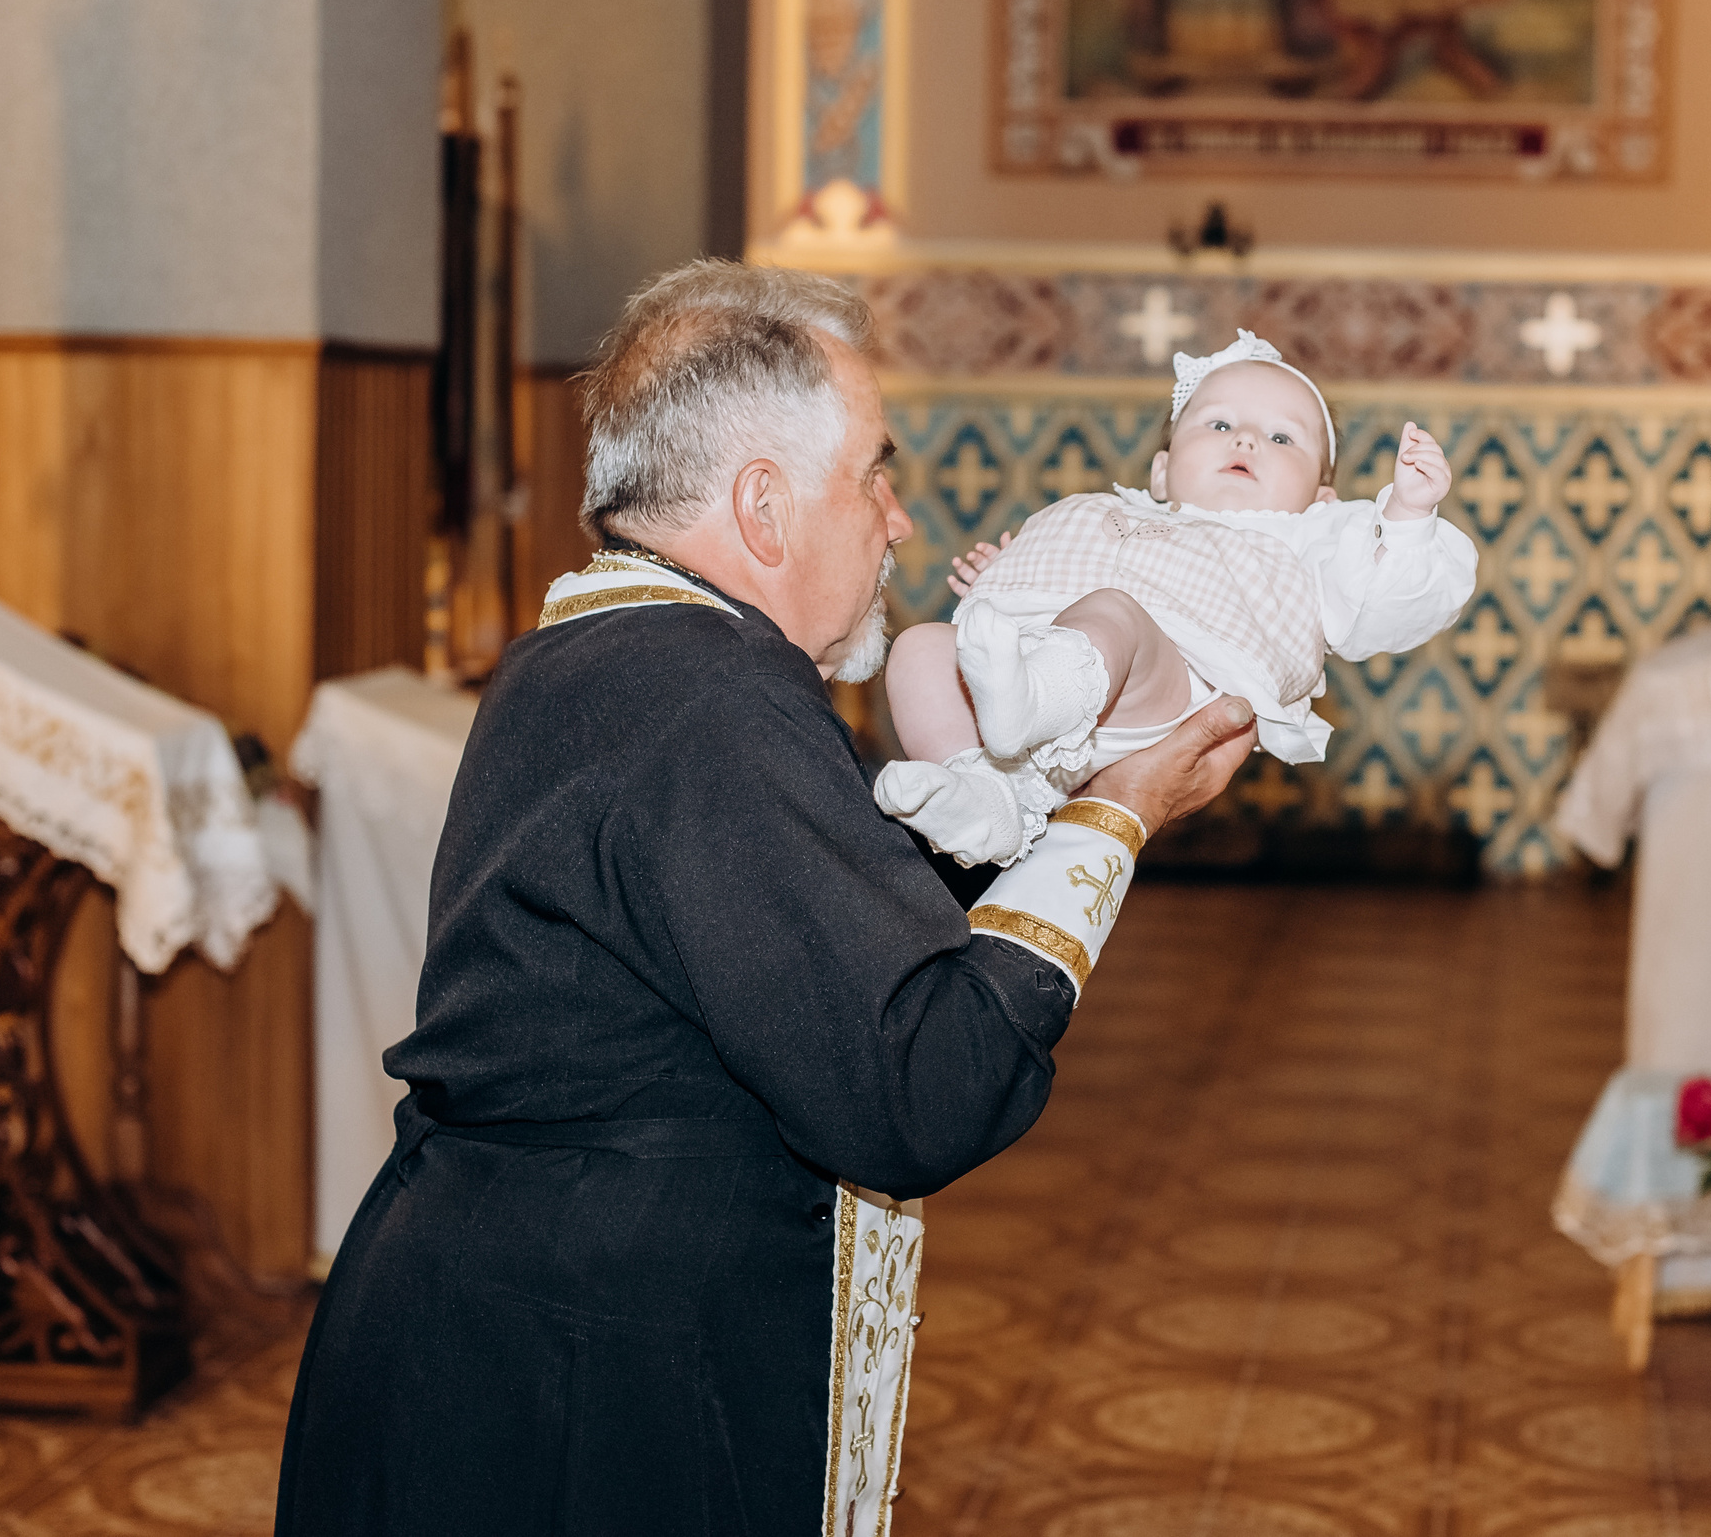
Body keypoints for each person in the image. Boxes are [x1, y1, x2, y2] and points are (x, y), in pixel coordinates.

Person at [273, 261, 1255, 1536]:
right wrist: (1115, 816)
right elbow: (916, 1084)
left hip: (522, 1328)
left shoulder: (616, 646)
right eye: (873, 475)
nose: (898, 521)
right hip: (575, 1390)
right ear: (763, 504)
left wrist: (1053, 802)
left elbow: (817, 919)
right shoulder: (706, 698)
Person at [873, 328, 1477, 867]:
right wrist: (1008, 585)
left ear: (1320, 499)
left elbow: (1384, 596)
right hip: (1027, 685)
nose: (1244, 439)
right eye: (1218, 424)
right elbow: (1044, 588)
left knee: (1114, 613)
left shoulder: (1301, 541)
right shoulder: (1109, 513)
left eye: (1281, 436)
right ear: (1160, 472)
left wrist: (1406, 515)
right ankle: (985, 797)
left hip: (1158, 696)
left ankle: (1025, 700)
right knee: (922, 647)